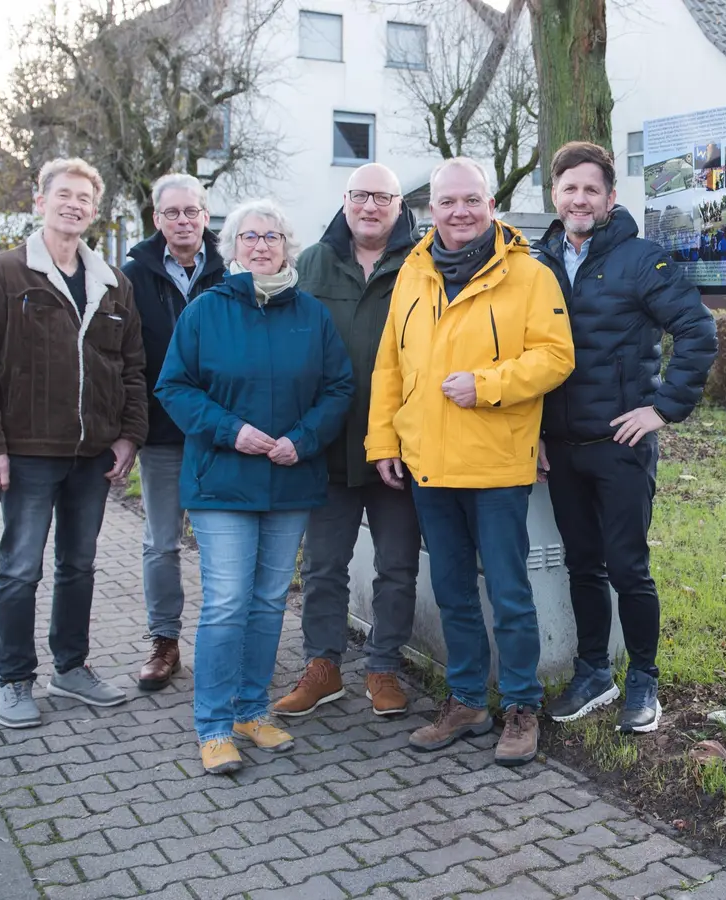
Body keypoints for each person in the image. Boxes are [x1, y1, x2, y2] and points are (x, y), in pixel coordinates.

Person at [365, 157, 574, 767]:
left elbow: (556, 356)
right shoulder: (412, 272)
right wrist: (383, 441)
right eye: (448, 202)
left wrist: (487, 385)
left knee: (509, 593)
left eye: (471, 201)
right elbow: (389, 365)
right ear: (431, 209)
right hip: (428, 463)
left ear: (491, 205)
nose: (459, 212)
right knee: (453, 591)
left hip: (496, 464)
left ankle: (519, 706)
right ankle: (465, 701)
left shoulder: (529, 275)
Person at [155, 198, 354, 775]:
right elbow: (176, 388)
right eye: (249, 237)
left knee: (268, 602)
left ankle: (249, 710)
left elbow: (338, 388)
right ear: (232, 248)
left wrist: (304, 439)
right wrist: (232, 431)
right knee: (225, 603)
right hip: (224, 482)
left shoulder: (311, 315)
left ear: (288, 247)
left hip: (290, 479)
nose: (261, 245)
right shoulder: (205, 311)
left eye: (272, 236)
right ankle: (214, 726)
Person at [0, 157, 145, 728]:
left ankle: (72, 668)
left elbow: (132, 367)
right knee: (20, 570)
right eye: (63, 194)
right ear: (40, 202)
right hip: (28, 453)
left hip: (92, 457)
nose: (74, 205)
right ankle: (13, 681)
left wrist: (129, 435)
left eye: (84, 197)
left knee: (79, 566)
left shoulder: (114, 283)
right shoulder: (4, 275)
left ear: (94, 208)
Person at [531, 141, 717, 733]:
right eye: (569, 189)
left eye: (592, 189)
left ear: (610, 198)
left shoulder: (642, 260)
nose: (579, 198)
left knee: (628, 567)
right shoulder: (537, 263)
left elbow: (697, 330)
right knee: (582, 566)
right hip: (560, 447)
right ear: (554, 196)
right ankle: (593, 674)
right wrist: (531, 433)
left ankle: (643, 680)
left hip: (621, 446)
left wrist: (662, 409)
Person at [274, 163, 423, 720]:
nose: (370, 206)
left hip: (401, 449)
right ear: (344, 200)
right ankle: (323, 666)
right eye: (360, 195)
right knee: (323, 567)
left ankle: (383, 666)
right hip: (329, 446)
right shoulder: (311, 262)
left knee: (397, 565)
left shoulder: (422, 264)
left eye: (382, 197)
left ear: (398, 206)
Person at [120, 173, 226, 691]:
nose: (183, 221)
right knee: (162, 543)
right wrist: (129, 428)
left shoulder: (230, 270)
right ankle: (164, 642)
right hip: (162, 434)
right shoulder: (132, 277)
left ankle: (224, 639)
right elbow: (122, 358)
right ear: (156, 219)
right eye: (172, 213)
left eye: (192, 211)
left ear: (206, 216)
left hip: (220, 434)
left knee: (221, 542)